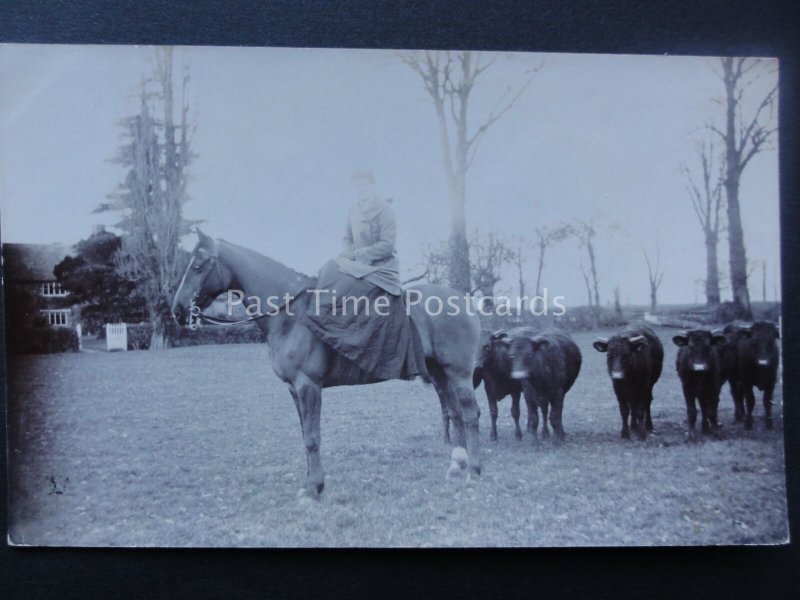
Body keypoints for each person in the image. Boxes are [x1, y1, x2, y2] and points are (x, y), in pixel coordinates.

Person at [302, 171, 426, 386]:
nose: (360, 189)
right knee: (329, 269)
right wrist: (348, 255)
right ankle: (334, 333)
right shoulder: (354, 210)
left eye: (364, 185)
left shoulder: (386, 210)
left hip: (382, 267)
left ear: (372, 186)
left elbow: (387, 245)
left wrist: (358, 255)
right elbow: (346, 239)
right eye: (357, 186)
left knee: (348, 286)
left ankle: (360, 341)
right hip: (358, 264)